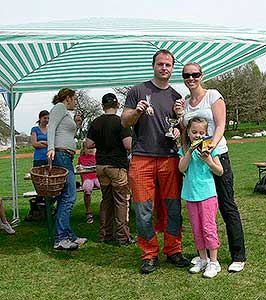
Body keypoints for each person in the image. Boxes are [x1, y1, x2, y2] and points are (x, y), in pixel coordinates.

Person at [121, 49, 189, 274]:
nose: (164, 68)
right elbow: (124, 122)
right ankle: (149, 253)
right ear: (153, 66)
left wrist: (180, 124)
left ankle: (173, 250)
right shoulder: (138, 90)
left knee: (172, 207)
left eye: (168, 65)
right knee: (143, 209)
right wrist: (137, 112)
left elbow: (181, 129)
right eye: (160, 64)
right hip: (142, 158)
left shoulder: (176, 96)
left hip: (169, 158)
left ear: (172, 67)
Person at [178, 62, 246, 273]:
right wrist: (180, 118)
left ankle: (238, 255)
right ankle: (203, 257)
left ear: (201, 75)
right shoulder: (186, 103)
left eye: (195, 74)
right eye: (187, 75)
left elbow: (220, 126)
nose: (191, 78)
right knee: (200, 210)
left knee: (227, 205)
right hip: (196, 160)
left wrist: (209, 149)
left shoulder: (213, 95)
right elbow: (186, 132)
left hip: (216, 155)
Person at [86, 93, 134, 246]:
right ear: (117, 104)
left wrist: (101, 143)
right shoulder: (121, 122)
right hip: (117, 165)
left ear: (102, 106)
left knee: (106, 200)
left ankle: (105, 235)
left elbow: (88, 144)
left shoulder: (95, 122)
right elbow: (128, 145)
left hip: (100, 166)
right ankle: (122, 237)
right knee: (121, 201)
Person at [178, 117, 223, 278]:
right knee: (197, 229)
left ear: (206, 134)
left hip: (207, 195)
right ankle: (202, 259)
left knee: (208, 228)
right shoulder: (185, 150)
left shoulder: (211, 148)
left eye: (201, 132)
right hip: (191, 195)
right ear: (188, 133)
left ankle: (214, 262)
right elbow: (182, 168)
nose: (197, 135)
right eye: (194, 132)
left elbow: (220, 171)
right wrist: (189, 152)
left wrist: (209, 160)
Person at [47, 88, 87, 250]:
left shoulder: (65, 112)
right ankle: (61, 238)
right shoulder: (59, 107)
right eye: (74, 99)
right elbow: (51, 128)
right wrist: (51, 148)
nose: (75, 102)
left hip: (66, 156)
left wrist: (76, 125)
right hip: (61, 155)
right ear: (68, 98)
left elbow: (67, 134)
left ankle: (68, 235)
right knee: (69, 196)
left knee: (66, 196)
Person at [26, 110, 49, 222]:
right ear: (40, 118)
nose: (46, 120)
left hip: (48, 158)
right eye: (45, 118)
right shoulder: (34, 129)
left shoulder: (50, 129)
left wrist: (43, 143)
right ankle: (36, 210)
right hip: (38, 159)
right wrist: (46, 143)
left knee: (48, 183)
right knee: (39, 183)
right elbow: (34, 144)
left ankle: (47, 207)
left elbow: (52, 143)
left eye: (48, 118)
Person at [77, 141, 100, 224]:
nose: (90, 150)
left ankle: (106, 209)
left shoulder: (97, 157)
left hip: (96, 178)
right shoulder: (81, 158)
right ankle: (88, 211)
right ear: (84, 149)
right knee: (87, 189)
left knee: (106, 187)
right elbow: (78, 169)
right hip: (88, 179)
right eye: (88, 148)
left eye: (92, 148)